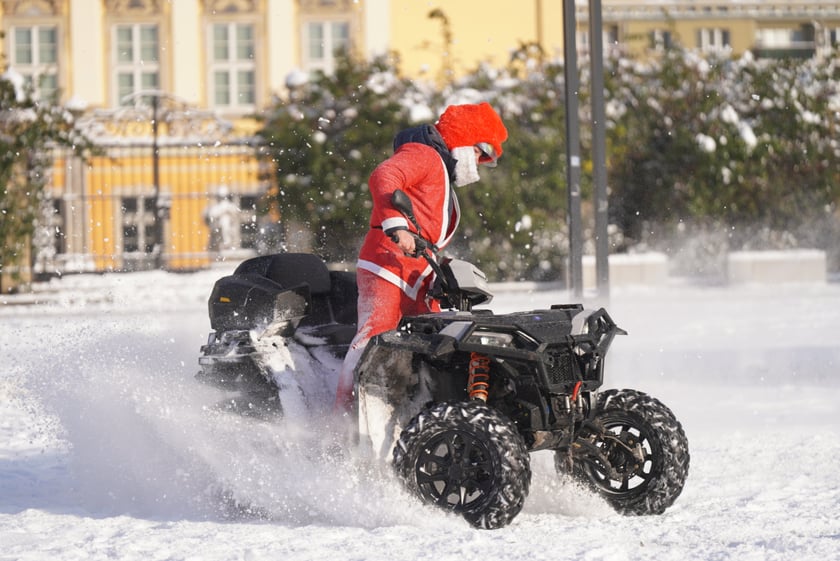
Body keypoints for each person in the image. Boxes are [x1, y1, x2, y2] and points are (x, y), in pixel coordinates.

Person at [333, 101, 508, 413]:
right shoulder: (423, 154)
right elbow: (384, 176)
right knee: (374, 340)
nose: (482, 163)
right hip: (387, 265)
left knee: (436, 343)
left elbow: (427, 232)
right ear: (467, 142)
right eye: (484, 153)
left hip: (417, 275)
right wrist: (396, 225)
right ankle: (342, 419)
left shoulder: (439, 170)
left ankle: (423, 416)